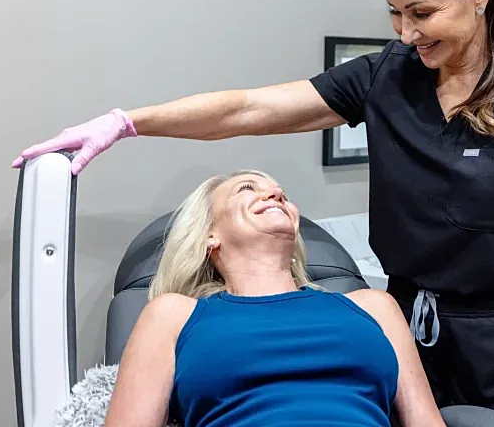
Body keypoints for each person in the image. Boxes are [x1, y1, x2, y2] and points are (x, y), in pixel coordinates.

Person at [14, 0, 494, 427]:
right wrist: (126, 122)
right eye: (395, 12)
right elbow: (247, 109)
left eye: (422, 12)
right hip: (402, 319)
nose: (405, 32)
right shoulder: (385, 77)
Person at [104, 169, 447, 427]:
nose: (276, 195)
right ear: (210, 234)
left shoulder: (373, 307)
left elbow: (426, 422)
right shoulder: (174, 315)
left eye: (280, 193)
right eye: (248, 188)